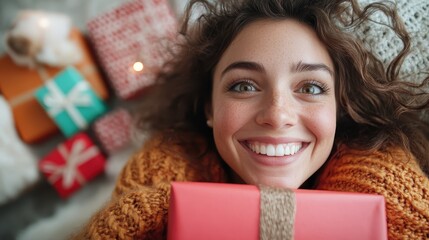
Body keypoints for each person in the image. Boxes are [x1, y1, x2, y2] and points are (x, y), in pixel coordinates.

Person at [72, 0, 429, 239]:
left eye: (311, 87)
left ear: (340, 106)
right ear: (209, 108)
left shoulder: (395, 201)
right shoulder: (145, 190)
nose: (276, 115)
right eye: (243, 85)